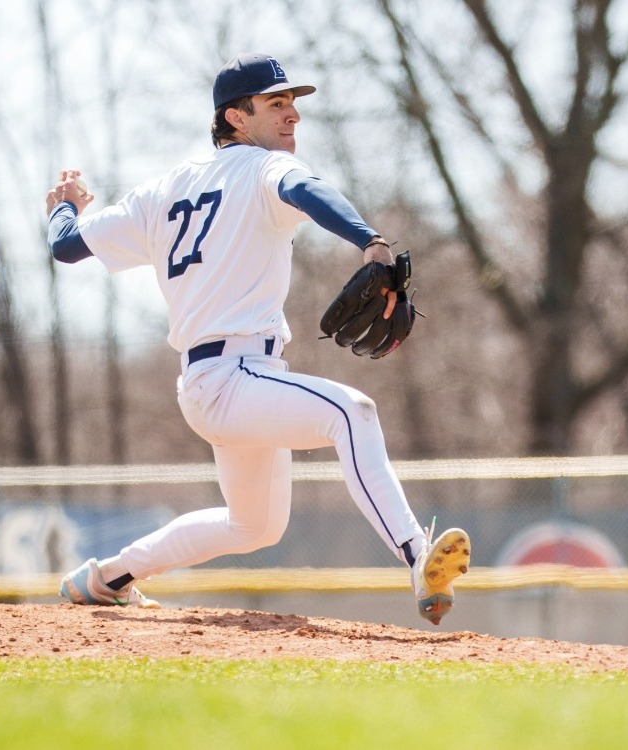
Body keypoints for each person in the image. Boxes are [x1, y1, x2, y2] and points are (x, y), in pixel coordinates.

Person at [45, 52, 470, 626]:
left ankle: (103, 579)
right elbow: (308, 191)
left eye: (294, 104)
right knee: (353, 413)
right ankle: (419, 557)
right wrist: (370, 240)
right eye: (276, 103)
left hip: (217, 381)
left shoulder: (161, 192)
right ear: (236, 118)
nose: (292, 115)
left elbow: (66, 246)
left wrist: (65, 207)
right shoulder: (260, 168)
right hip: (236, 377)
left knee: (254, 526)